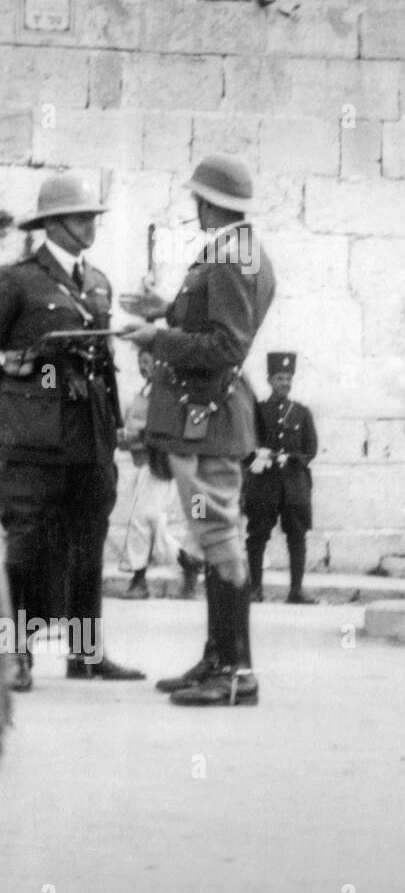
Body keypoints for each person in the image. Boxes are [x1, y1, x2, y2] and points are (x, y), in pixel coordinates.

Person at [120, 153, 276, 707]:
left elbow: (226, 346)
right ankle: (217, 657)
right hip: (203, 420)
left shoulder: (232, 259)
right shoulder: (235, 252)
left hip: (208, 421)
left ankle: (237, 673)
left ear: (211, 203)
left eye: (197, 199)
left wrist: (152, 338)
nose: (195, 207)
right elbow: (212, 323)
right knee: (213, 542)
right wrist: (168, 309)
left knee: (221, 542)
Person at [0, 173, 146, 691]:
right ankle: (16, 656)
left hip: (91, 432)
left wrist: (121, 426)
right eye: (82, 218)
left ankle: (86, 653)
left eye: (94, 217)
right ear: (53, 225)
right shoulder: (17, 281)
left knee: (90, 539)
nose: (92, 226)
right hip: (34, 437)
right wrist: (17, 361)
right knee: (26, 543)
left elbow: (105, 364)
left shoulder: (98, 282)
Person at [117, 349, 203, 601]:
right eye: (140, 363)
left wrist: (141, 437)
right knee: (144, 520)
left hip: (170, 466)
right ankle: (148, 574)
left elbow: (179, 429)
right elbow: (130, 430)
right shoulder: (140, 396)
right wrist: (124, 438)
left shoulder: (174, 393)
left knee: (157, 520)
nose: (145, 368)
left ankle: (181, 566)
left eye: (149, 362)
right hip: (144, 465)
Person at [244, 353, 318, 605]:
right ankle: (255, 589)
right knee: (257, 535)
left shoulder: (301, 412)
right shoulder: (258, 411)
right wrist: (260, 454)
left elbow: (311, 449)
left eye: (288, 378)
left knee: (297, 536)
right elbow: (246, 447)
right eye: (279, 378)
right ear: (269, 380)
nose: (284, 383)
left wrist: (293, 458)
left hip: (294, 484)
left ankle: (296, 590)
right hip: (264, 484)